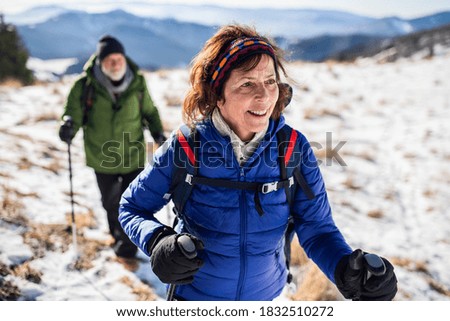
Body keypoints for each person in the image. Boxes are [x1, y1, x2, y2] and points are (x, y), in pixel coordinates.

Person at [119, 25, 397, 300]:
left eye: (270, 81)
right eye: (247, 83)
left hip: (266, 300)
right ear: (218, 94)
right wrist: (157, 241)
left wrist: (346, 270)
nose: (264, 96)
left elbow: (317, 229)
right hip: (195, 299)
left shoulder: (292, 150)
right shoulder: (186, 148)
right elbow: (132, 207)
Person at [59, 35, 166, 258]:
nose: (116, 64)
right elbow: (74, 113)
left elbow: (149, 110)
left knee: (134, 202)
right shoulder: (84, 86)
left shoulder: (137, 82)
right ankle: (116, 234)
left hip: (133, 154)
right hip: (102, 156)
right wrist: (68, 125)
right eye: (110, 60)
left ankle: (127, 246)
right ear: (100, 62)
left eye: (119, 58)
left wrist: (157, 131)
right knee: (110, 203)